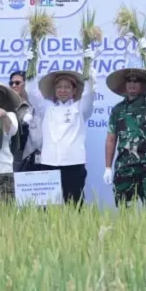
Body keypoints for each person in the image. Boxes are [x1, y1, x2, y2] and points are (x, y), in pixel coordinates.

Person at [26, 50, 97, 206]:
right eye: (59, 87)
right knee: (49, 207)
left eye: (67, 87)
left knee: (74, 206)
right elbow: (32, 92)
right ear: (55, 90)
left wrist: (89, 69)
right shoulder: (46, 108)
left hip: (73, 164)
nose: (63, 90)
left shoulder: (80, 108)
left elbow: (89, 94)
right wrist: (31, 65)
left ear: (74, 90)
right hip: (49, 163)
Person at [103, 51, 146, 206]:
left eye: (136, 81)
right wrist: (108, 167)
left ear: (142, 84)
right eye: (129, 81)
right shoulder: (118, 109)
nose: (132, 84)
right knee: (124, 209)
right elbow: (111, 138)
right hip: (125, 165)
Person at [9, 70, 40, 172]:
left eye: (17, 83)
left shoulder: (38, 105)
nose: (14, 85)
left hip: (37, 155)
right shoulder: (7, 106)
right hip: (15, 156)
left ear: (26, 84)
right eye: (11, 83)